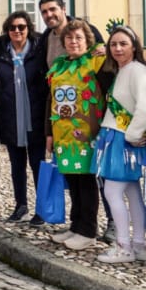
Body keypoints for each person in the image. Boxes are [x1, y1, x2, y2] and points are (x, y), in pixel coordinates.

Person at [91, 22, 146, 263]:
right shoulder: (125, 70)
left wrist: (133, 133)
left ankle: (124, 247)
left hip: (121, 138)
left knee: (112, 191)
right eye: (114, 44)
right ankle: (138, 245)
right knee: (131, 192)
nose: (117, 48)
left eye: (123, 44)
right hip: (117, 135)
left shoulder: (136, 70)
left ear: (134, 46)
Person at [45, 19, 106, 251]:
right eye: (69, 38)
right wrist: (48, 133)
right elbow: (51, 101)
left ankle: (88, 230)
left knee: (86, 181)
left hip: (87, 134)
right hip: (63, 135)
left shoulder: (96, 62)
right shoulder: (58, 66)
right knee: (72, 180)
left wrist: (106, 48)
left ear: (88, 40)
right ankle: (75, 225)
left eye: (78, 38)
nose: (73, 42)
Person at [0, 12, 48, 223]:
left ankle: (41, 209)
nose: (17, 31)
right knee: (16, 165)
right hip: (10, 117)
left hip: (35, 116)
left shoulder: (40, 51)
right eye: (13, 27)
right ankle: (20, 205)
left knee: (38, 165)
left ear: (28, 29)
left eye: (21, 27)